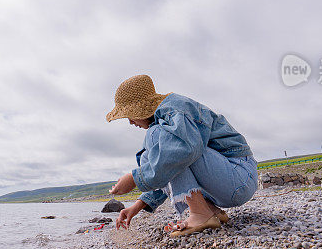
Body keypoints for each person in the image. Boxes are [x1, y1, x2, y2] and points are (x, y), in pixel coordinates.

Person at [106, 74, 258, 237]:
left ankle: (201, 214)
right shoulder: (165, 118)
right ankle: (211, 211)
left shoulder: (175, 109)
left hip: (239, 177)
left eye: (129, 115)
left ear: (139, 109)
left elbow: (179, 154)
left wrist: (135, 179)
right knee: (148, 157)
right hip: (226, 183)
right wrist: (137, 206)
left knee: (159, 139)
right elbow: (167, 169)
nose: (130, 121)